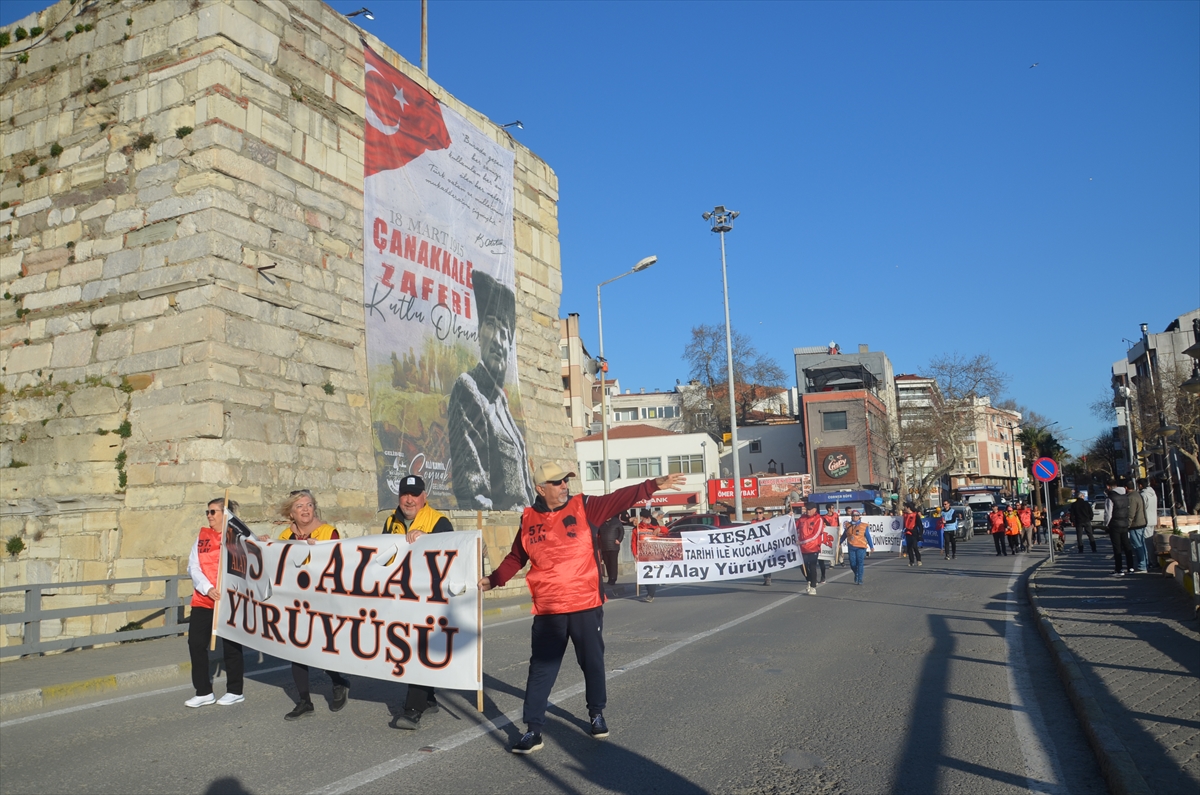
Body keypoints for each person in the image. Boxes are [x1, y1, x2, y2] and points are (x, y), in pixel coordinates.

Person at [479, 463, 687, 754]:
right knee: (541, 670)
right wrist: (494, 580)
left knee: (591, 662)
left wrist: (652, 485)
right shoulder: (528, 519)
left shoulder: (585, 507)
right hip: (549, 609)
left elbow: (619, 498)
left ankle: (596, 713)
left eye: (566, 480)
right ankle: (533, 730)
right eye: (557, 482)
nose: (565, 485)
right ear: (541, 489)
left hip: (585, 604)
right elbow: (517, 555)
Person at [447, 271, 536, 512]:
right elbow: (473, 492)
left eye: (505, 334)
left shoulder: (502, 403)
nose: (498, 340)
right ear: (479, 332)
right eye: (491, 325)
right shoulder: (468, 388)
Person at [382, 475, 454, 730]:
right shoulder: (391, 521)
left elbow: (451, 554)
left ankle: (412, 710)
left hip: (429, 601)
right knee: (408, 649)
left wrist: (429, 540)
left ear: (424, 496)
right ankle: (429, 698)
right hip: (401, 597)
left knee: (418, 650)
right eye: (404, 494)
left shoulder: (439, 522)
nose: (409, 499)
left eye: (414, 494)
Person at [273, 490, 351, 721]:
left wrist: (320, 551)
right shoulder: (286, 535)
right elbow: (278, 563)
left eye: (309, 505)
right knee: (297, 649)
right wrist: (266, 545)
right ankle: (304, 701)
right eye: (299, 506)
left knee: (321, 647)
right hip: (296, 601)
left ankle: (338, 681)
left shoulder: (327, 532)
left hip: (323, 600)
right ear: (290, 512)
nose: (305, 510)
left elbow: (341, 562)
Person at [185, 498, 246, 708]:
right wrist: (206, 588)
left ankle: (235, 690)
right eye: (207, 512)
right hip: (203, 599)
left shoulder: (237, 538)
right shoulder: (201, 537)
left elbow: (249, 562)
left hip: (228, 600)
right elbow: (193, 567)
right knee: (195, 644)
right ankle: (203, 691)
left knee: (231, 646)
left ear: (225, 514)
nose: (209, 515)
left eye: (213, 512)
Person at [631, 509, 665, 601]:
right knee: (644, 575)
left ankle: (650, 594)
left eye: (647, 517)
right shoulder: (637, 529)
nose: (646, 519)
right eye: (644, 517)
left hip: (654, 555)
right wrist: (635, 554)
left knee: (651, 575)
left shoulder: (654, 526)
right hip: (642, 556)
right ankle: (649, 591)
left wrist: (660, 529)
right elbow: (634, 543)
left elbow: (666, 532)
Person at [796, 502, 830, 595]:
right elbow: (794, 527)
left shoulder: (818, 519)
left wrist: (802, 541)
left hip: (813, 547)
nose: (808, 511)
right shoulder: (802, 518)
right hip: (802, 548)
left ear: (815, 510)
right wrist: (789, 517)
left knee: (812, 566)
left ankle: (813, 586)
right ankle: (809, 580)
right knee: (802, 566)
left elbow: (815, 535)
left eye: (810, 509)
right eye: (807, 509)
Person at [1103, 478, 1135, 576]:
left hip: (1115, 524)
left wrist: (1106, 524)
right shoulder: (1125, 496)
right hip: (1124, 523)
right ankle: (1130, 567)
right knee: (1126, 545)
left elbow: (1108, 514)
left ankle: (1119, 569)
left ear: (1108, 486)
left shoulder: (1110, 497)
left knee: (1117, 547)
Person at [839, 509, 874, 585]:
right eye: (854, 516)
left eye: (857, 516)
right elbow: (845, 535)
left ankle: (860, 579)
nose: (855, 517)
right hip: (851, 547)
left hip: (861, 547)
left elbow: (868, 536)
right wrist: (839, 543)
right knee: (852, 563)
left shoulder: (864, 526)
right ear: (851, 516)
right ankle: (856, 573)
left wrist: (871, 546)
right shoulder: (848, 525)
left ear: (859, 517)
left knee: (860, 562)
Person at [1125, 480, 1148, 573]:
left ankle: (1142, 566)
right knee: (1142, 544)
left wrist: (1128, 524)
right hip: (1141, 522)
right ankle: (1145, 563)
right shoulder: (1138, 495)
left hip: (1135, 524)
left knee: (1137, 545)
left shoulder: (1131, 497)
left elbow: (1131, 513)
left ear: (1126, 488)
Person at [597, 515, 624, 589]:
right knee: (607, 563)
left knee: (613, 563)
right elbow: (598, 532)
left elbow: (621, 531)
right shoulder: (601, 522)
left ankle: (613, 578)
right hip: (604, 546)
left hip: (614, 546)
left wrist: (619, 539)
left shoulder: (616, 521)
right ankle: (610, 577)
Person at [1138, 479, 1159, 570]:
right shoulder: (1153, 494)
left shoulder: (1143, 495)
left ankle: (1152, 562)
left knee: (1147, 543)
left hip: (1146, 520)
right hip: (1153, 519)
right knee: (1150, 541)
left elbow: (1141, 508)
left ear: (1141, 485)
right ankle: (1152, 561)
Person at [753, 507, 773, 585]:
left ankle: (768, 578)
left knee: (766, 561)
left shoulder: (768, 521)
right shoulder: (753, 522)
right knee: (761, 563)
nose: (758, 514)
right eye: (757, 513)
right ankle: (765, 578)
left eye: (760, 512)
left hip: (766, 545)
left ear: (763, 513)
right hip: (757, 546)